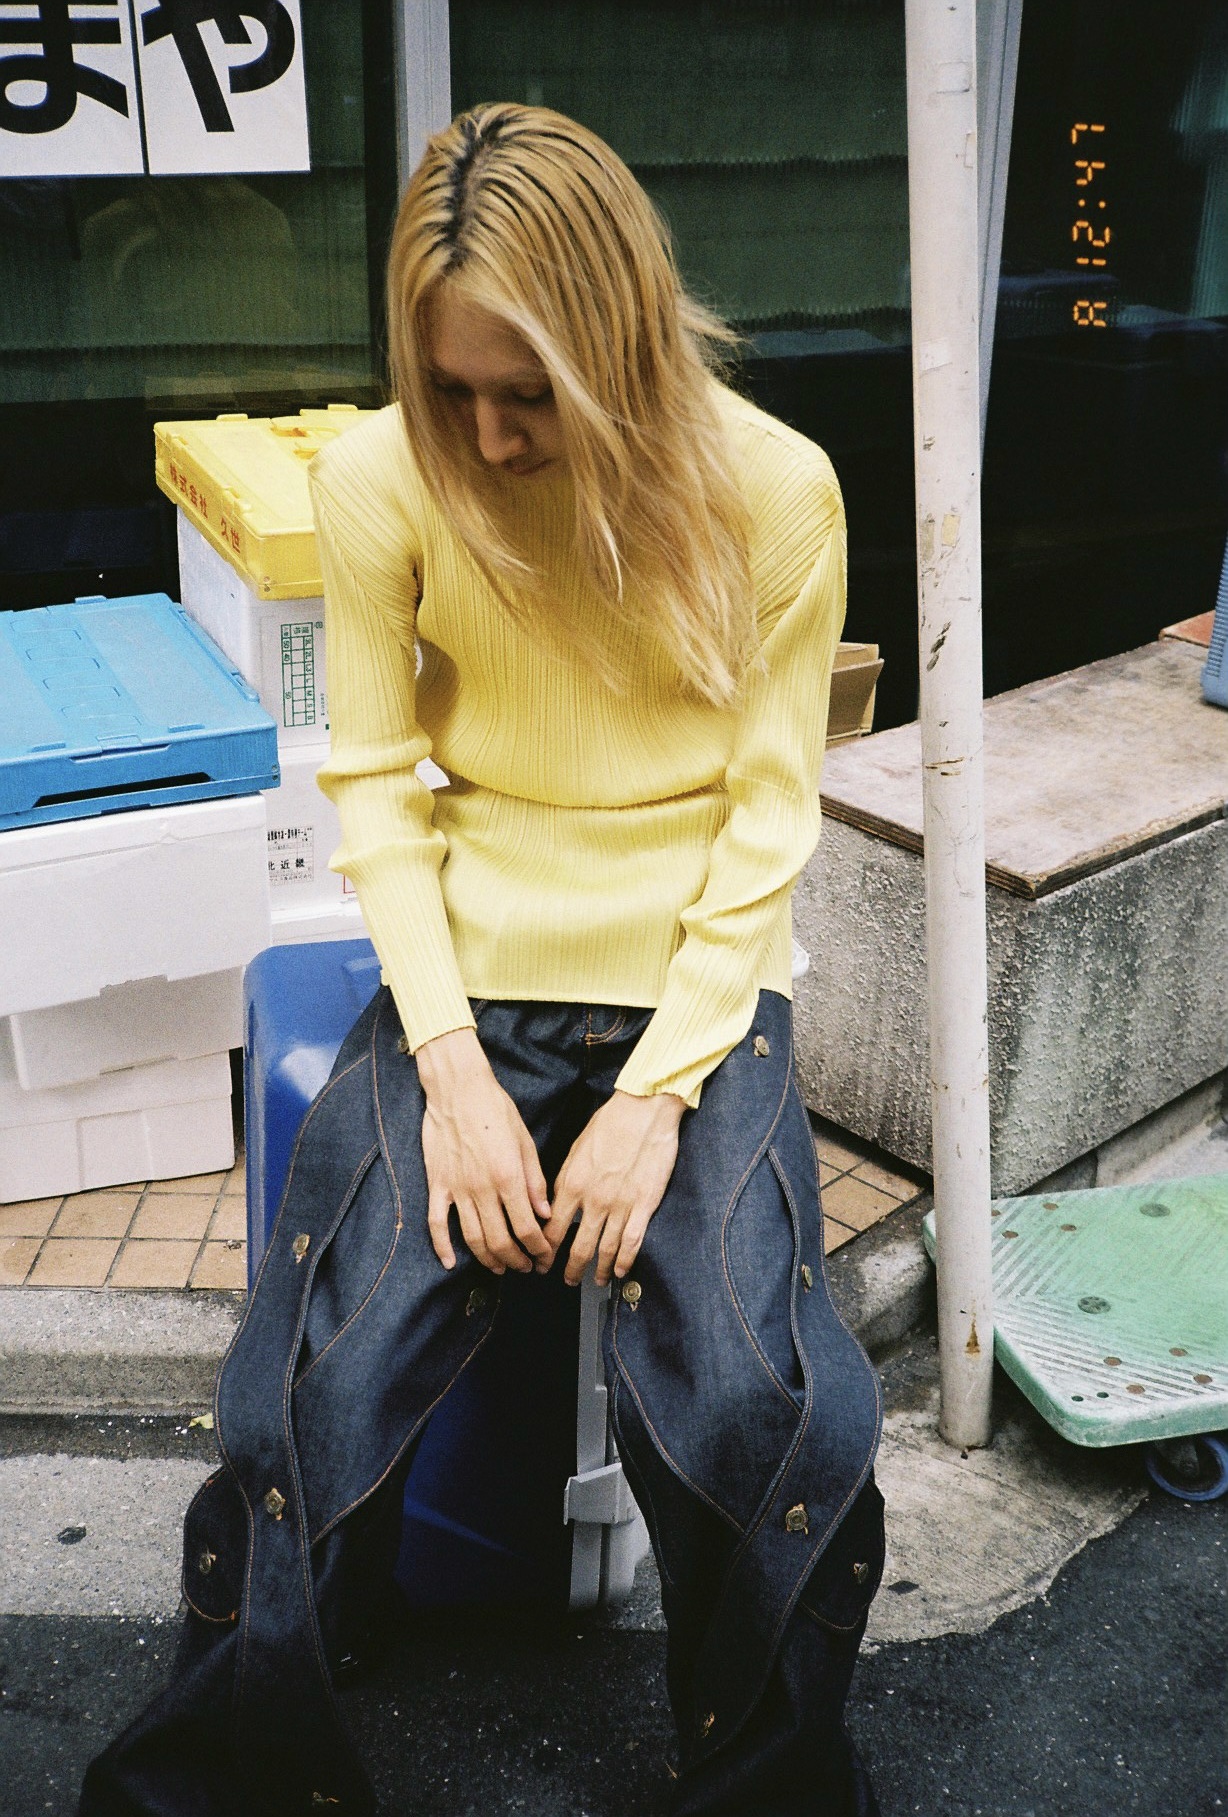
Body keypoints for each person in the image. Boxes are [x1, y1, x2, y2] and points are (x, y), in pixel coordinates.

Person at [81, 103, 884, 1817]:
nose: (493, 435)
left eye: (532, 391)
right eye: (453, 390)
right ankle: (234, 1765)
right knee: (315, 1376)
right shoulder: (380, 479)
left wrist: (655, 1098)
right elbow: (375, 782)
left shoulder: (776, 490)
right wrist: (450, 1074)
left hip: (699, 970)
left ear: (623, 348)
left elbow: (767, 817)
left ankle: (763, 1777)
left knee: (765, 1404)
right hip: (473, 953)